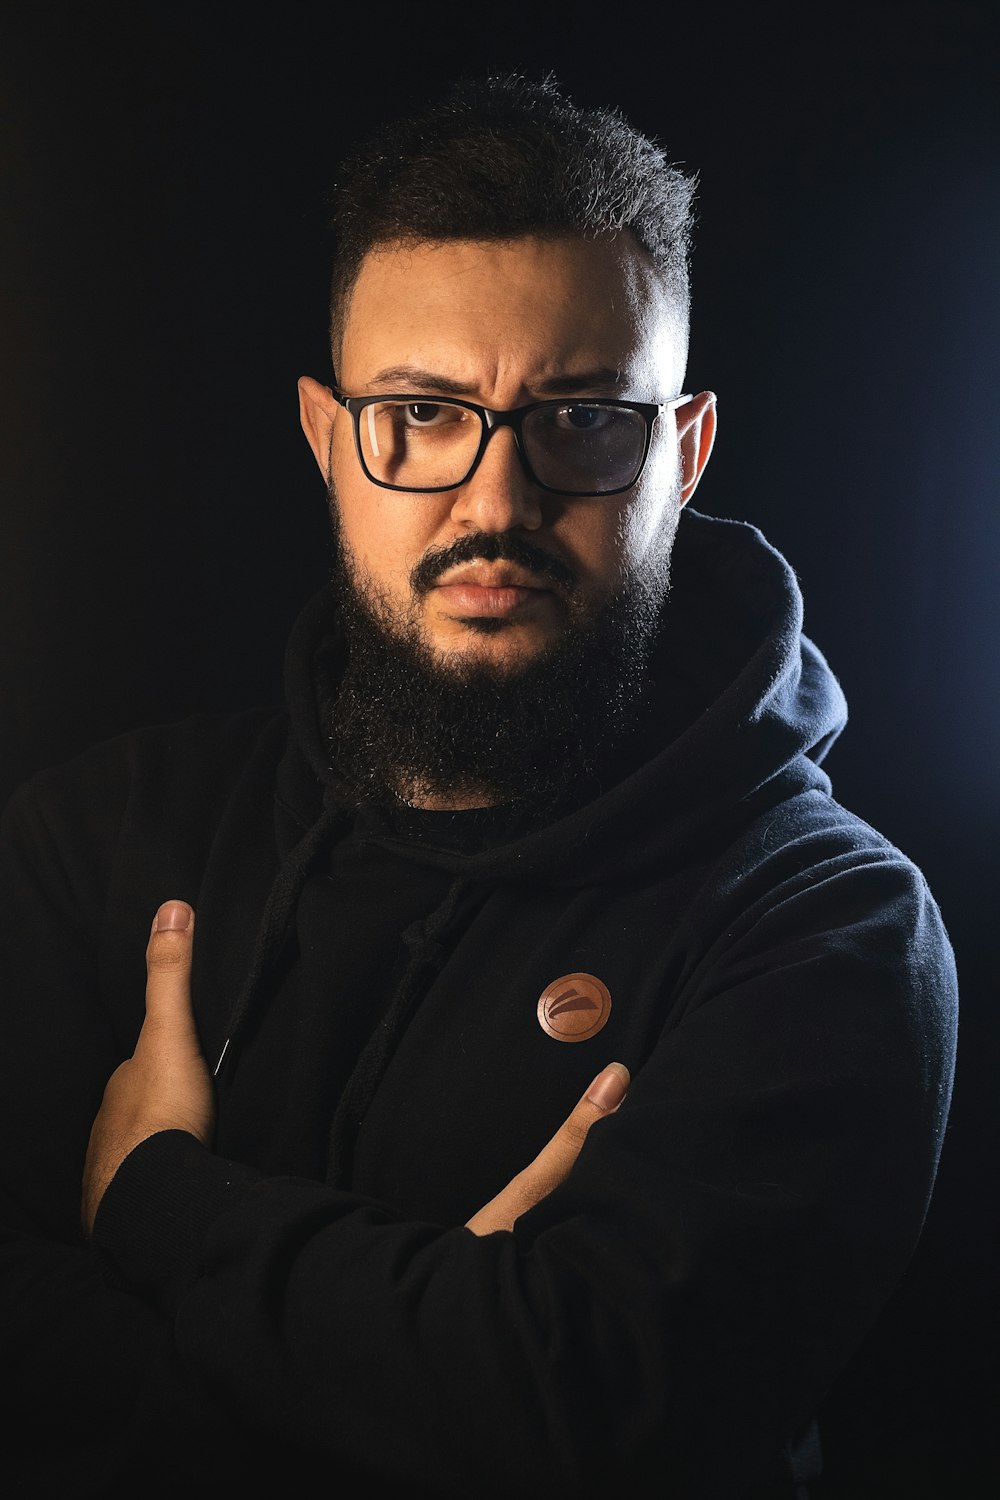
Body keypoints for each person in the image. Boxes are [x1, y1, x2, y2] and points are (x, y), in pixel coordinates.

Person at [0, 72, 957, 1500]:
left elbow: (615, 1419)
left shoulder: (827, 927)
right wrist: (439, 1390)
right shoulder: (100, 837)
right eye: (424, 415)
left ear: (683, 455)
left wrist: (160, 1205)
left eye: (580, 419)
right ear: (331, 442)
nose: (495, 501)